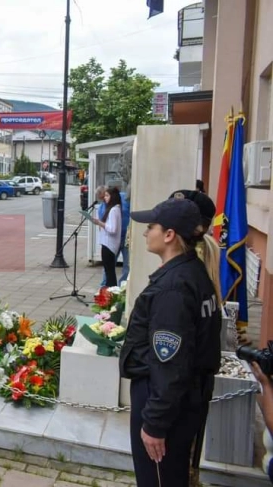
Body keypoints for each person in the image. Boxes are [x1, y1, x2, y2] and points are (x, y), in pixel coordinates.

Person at [120, 198, 221, 487]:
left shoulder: (173, 288)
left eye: (150, 226)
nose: (144, 232)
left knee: (159, 480)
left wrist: (154, 422)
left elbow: (171, 363)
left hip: (164, 400)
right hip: (181, 399)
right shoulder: (191, 272)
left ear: (169, 235)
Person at [91, 187, 122, 287]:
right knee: (109, 272)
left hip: (109, 245)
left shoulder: (114, 210)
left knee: (110, 273)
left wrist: (100, 223)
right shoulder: (114, 209)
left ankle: (110, 292)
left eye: (107, 196)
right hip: (107, 244)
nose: (105, 198)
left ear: (113, 197)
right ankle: (109, 292)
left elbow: (113, 229)